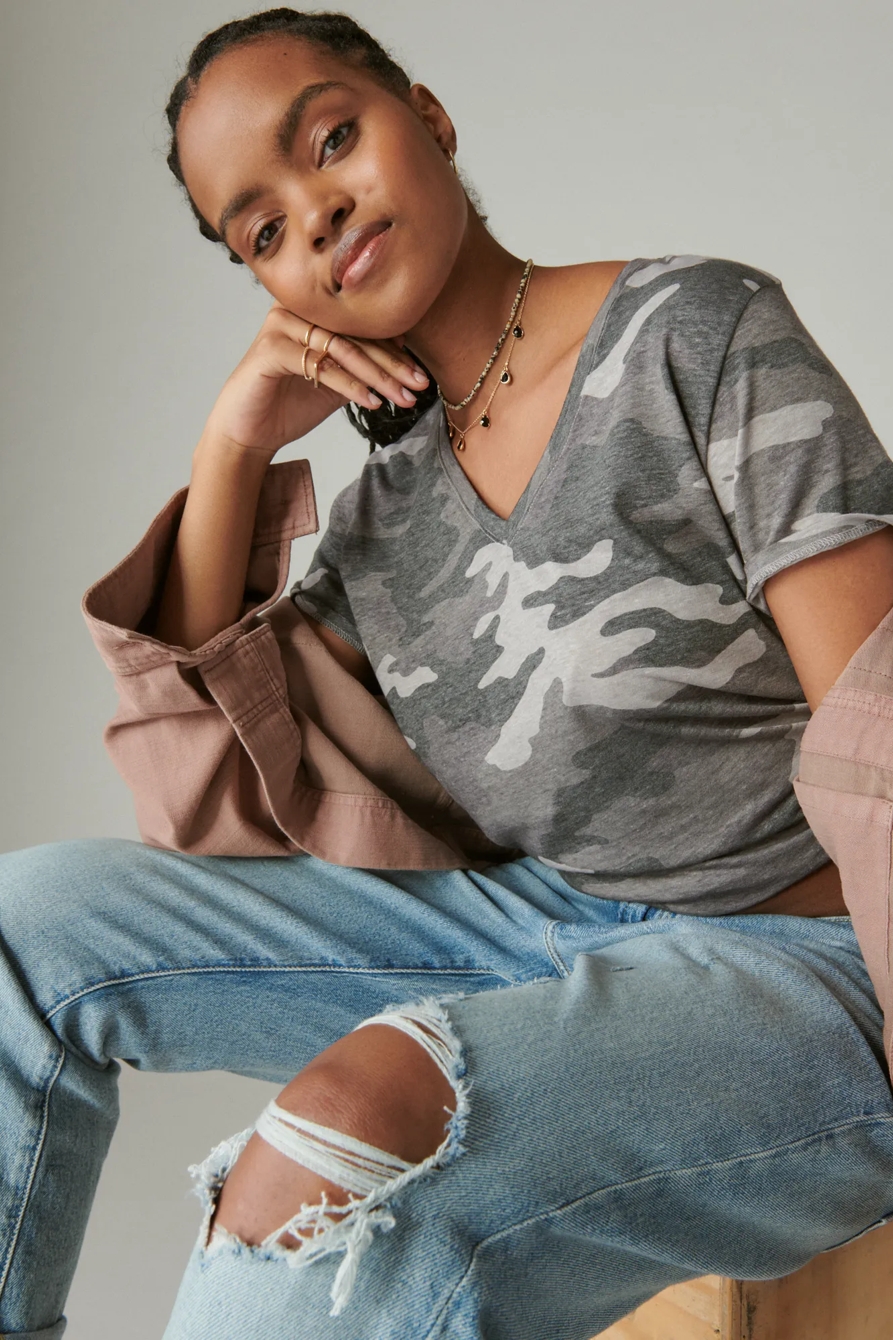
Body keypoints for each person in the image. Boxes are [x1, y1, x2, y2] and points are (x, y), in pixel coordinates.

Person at [3, 8, 893, 1338]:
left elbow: (881, 736)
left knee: (336, 1146)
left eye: (330, 140)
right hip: (547, 927)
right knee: (24, 927)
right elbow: (208, 801)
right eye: (261, 230)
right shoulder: (384, 524)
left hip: (811, 969)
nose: (314, 215)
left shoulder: (693, 333)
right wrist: (232, 450)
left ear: (427, 115)